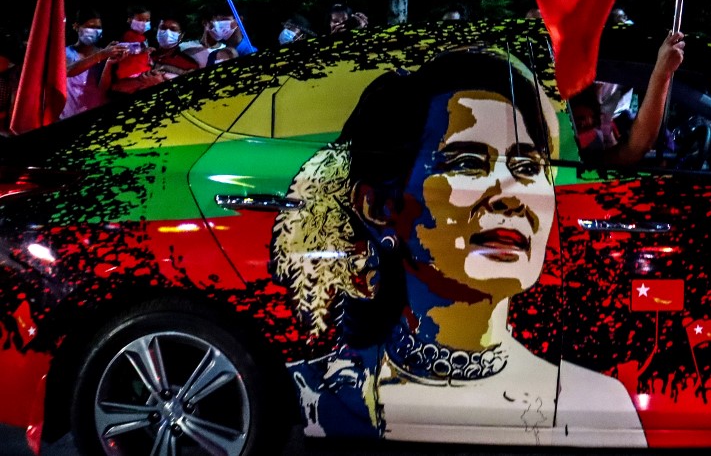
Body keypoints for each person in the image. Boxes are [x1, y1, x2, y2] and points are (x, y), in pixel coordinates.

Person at [270, 47, 643, 442]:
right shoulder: (315, 395)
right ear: (379, 205)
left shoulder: (594, 404)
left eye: (529, 167)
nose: (511, 195)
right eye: (467, 162)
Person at [570, 31, 685, 166]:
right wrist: (662, 72)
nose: (587, 126)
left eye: (592, 122)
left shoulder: (590, 146)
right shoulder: (570, 158)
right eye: (579, 122)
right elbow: (634, 149)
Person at [61, 8, 128, 119]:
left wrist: (109, 63)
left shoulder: (105, 53)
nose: (95, 31)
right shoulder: (65, 52)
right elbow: (68, 71)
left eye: (98, 28)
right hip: (69, 116)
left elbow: (102, 89)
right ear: (77, 27)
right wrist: (101, 55)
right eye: (90, 27)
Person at [180, 5, 257, 67]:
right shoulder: (214, 55)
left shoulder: (251, 52)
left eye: (224, 19)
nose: (218, 24)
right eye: (217, 20)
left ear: (239, 20)